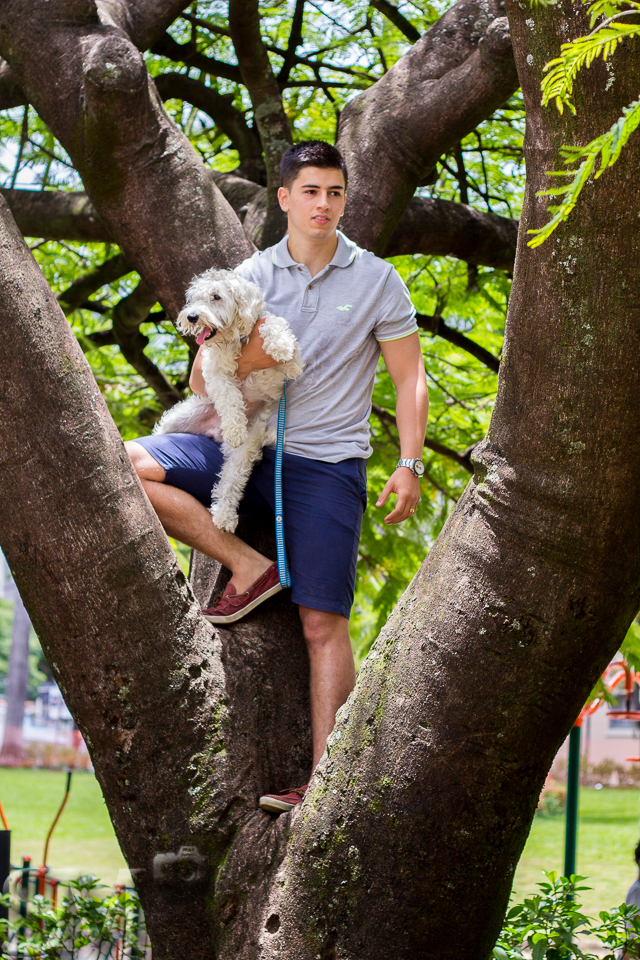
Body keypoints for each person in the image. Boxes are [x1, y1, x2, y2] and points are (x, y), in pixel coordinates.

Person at [125, 140, 428, 813]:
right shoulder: (249, 275)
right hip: (247, 450)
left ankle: (323, 787)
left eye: (335, 192)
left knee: (323, 623)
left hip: (327, 467)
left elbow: (410, 377)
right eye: (311, 191)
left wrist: (409, 462)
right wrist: (242, 355)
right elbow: (201, 381)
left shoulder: (378, 279)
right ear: (286, 198)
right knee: (129, 466)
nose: (324, 204)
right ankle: (249, 567)